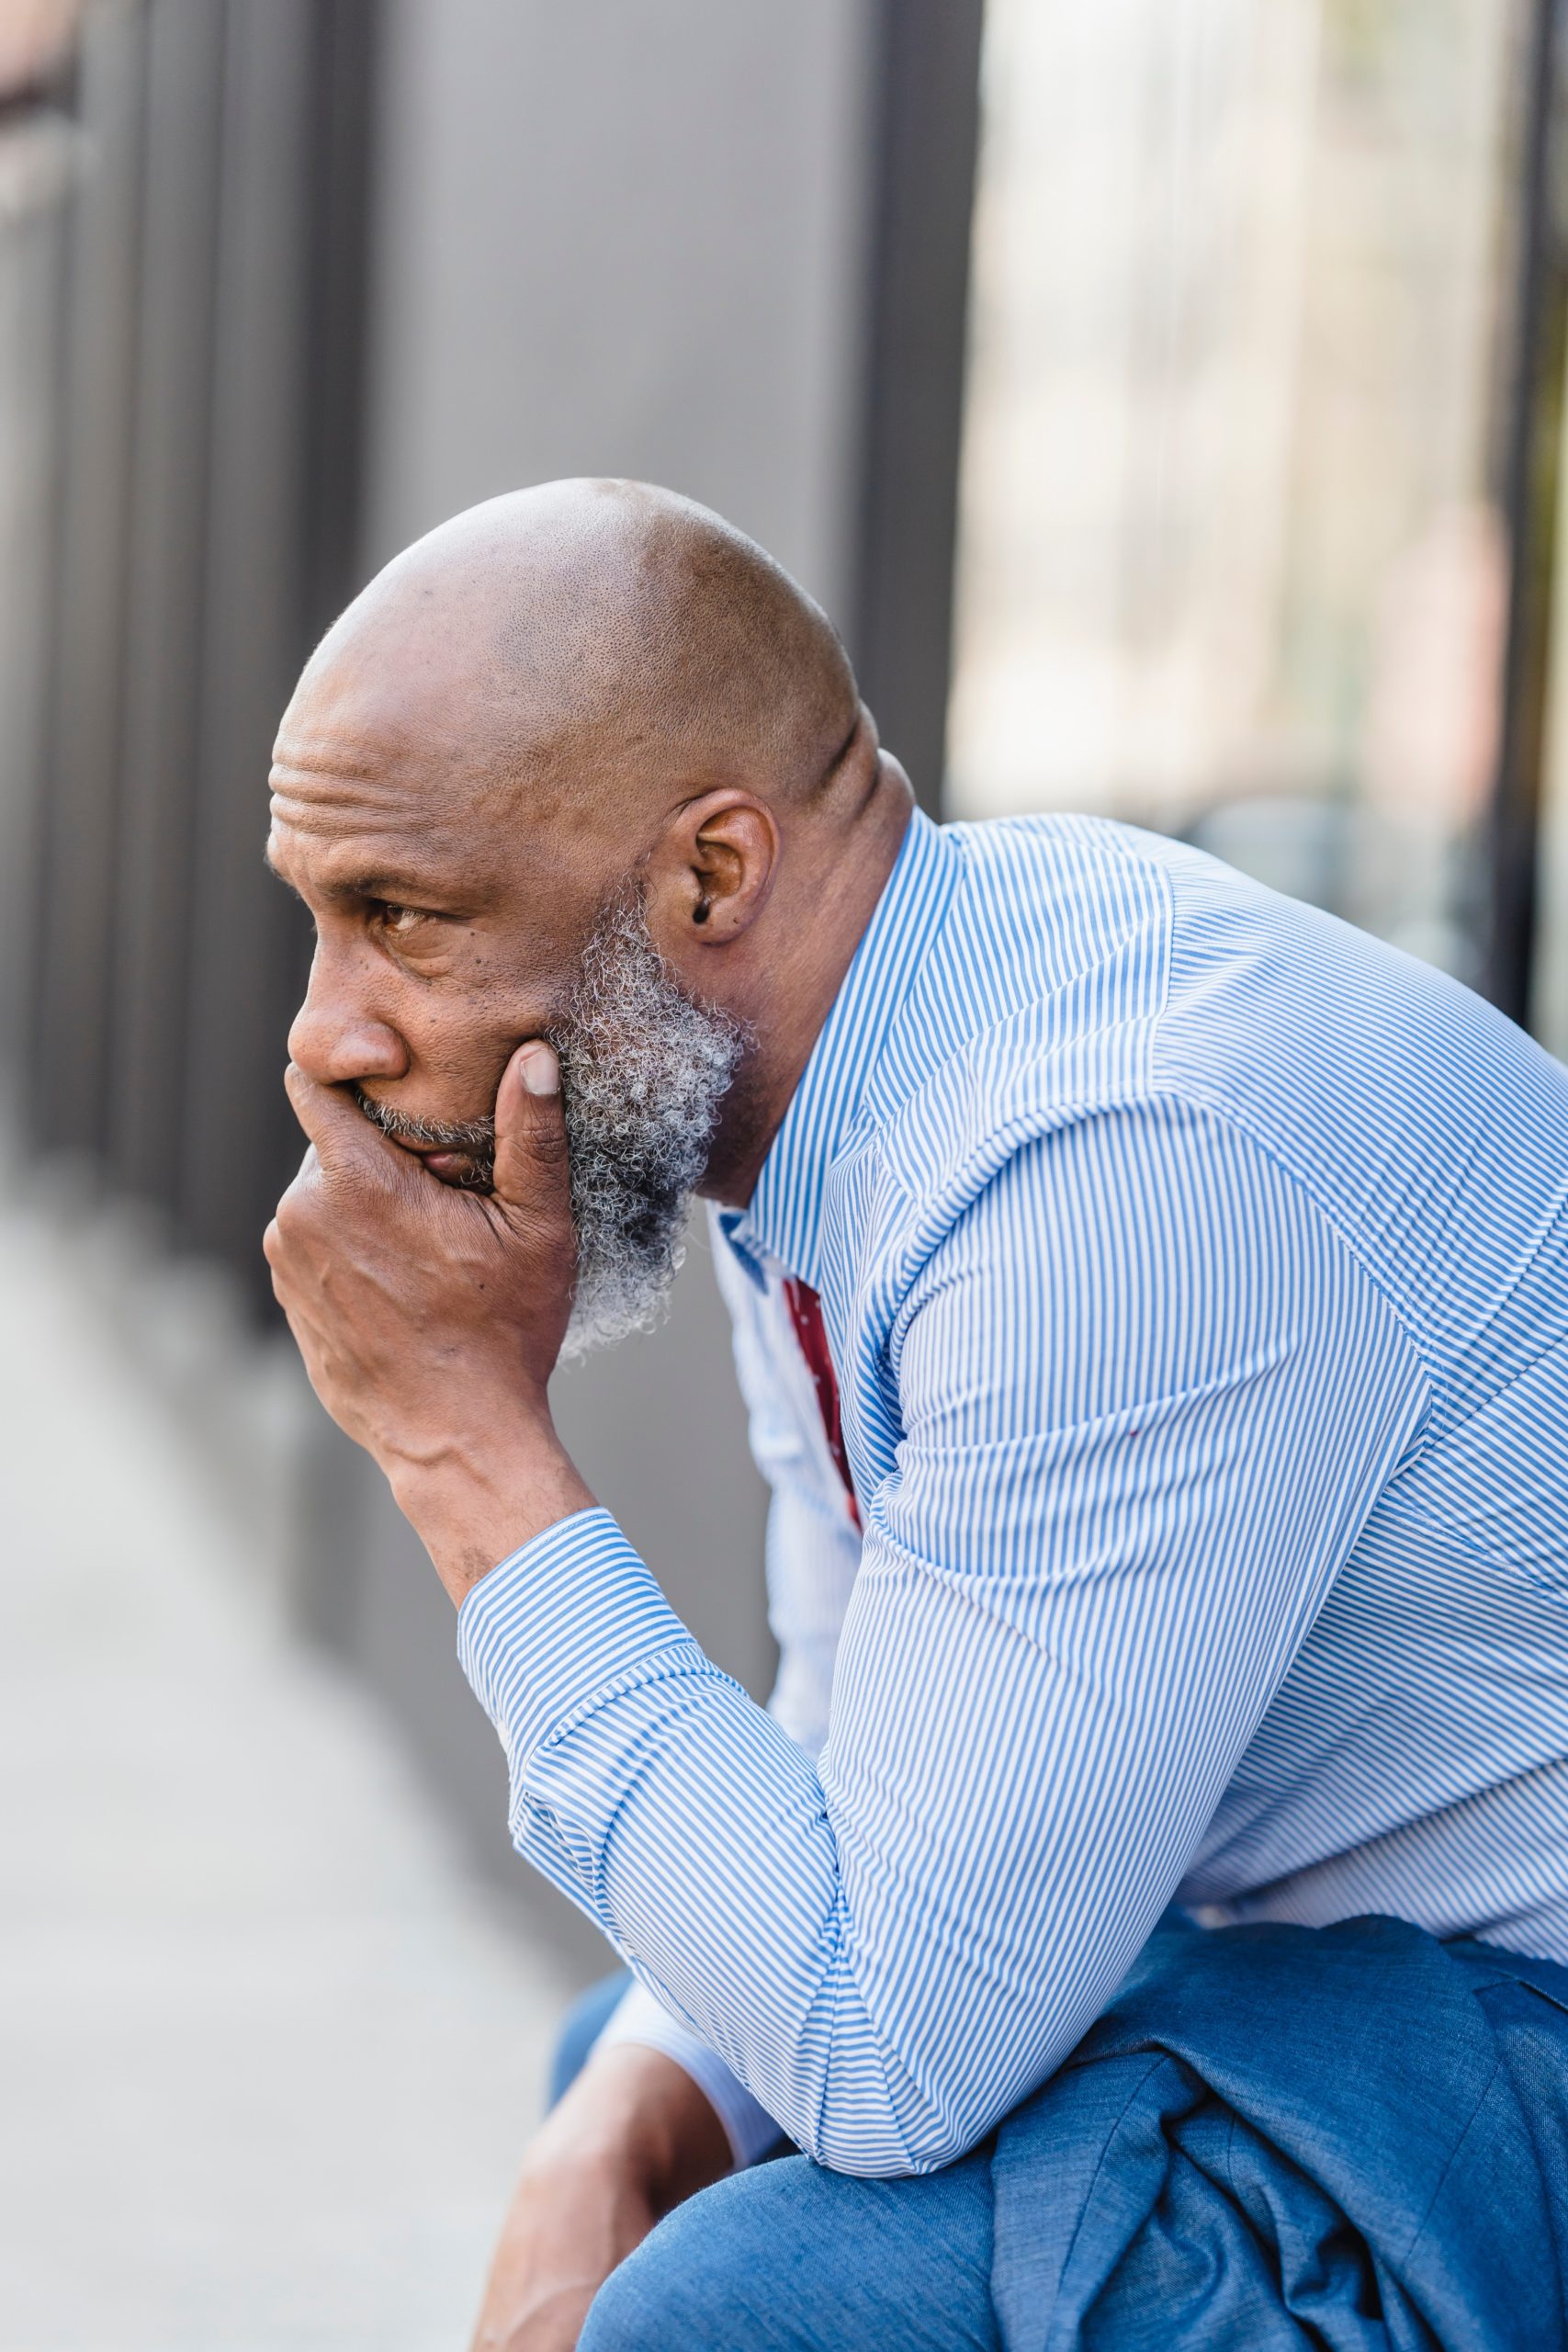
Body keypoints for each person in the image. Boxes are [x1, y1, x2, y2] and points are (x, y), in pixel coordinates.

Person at [265, 480, 1568, 2351]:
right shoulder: (824, 1083)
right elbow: (856, 1702)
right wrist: (636, 2096)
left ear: (709, 877)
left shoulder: (1107, 1168)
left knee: (735, 2303)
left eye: (405, 916)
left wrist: (460, 1445)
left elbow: (885, 2044)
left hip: (1498, 2033)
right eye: (321, 917)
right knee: (644, 2091)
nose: (327, 1029)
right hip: (1327, 1973)